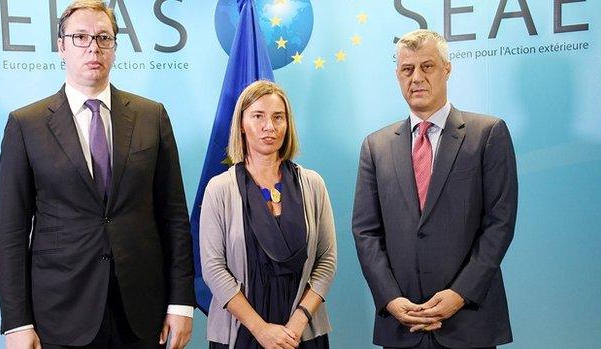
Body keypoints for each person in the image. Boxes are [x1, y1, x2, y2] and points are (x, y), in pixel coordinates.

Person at [0, 1, 195, 348]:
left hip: (141, 313)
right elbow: (12, 233)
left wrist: (181, 303)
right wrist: (17, 323)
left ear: (116, 46)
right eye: (81, 37)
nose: (94, 47)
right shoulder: (26, 125)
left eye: (104, 37)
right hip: (60, 314)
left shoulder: (152, 117)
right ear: (61, 46)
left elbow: (175, 218)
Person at [352, 29, 518, 349]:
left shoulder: (488, 134)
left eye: (427, 66)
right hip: (402, 326)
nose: (416, 77)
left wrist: (460, 294)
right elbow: (365, 232)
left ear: (447, 69)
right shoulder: (376, 146)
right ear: (397, 75)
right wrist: (389, 299)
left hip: (469, 322)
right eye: (407, 69)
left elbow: (500, 223)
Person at [200, 80, 337, 349]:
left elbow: (327, 262)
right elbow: (214, 269)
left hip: (302, 334)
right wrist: (261, 330)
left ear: (288, 124)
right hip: (241, 333)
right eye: (258, 116)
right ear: (241, 123)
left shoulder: (313, 184)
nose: (269, 127)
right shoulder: (219, 189)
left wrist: (297, 324)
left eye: (278, 117)